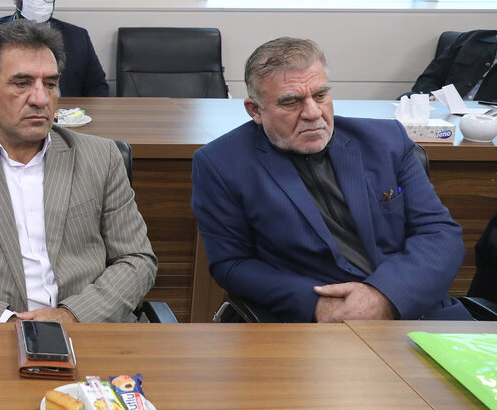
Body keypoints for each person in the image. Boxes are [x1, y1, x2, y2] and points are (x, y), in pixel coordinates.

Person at [192, 37, 468, 322]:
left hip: (416, 309)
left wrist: (383, 297)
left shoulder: (386, 141)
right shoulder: (222, 163)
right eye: (291, 101)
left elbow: (439, 233)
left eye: (320, 95)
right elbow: (232, 264)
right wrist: (318, 304)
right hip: (316, 323)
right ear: (255, 110)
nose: (313, 113)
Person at [0, 20, 157, 323]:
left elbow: (137, 260)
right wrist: (4, 320)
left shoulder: (101, 157)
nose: (41, 99)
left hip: (88, 329)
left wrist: (72, 315)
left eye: (50, 84)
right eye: (22, 83)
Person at [409, 30, 497, 100]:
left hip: (486, 114)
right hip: (444, 107)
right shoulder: (471, 39)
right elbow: (430, 77)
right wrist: (431, 96)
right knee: (408, 97)